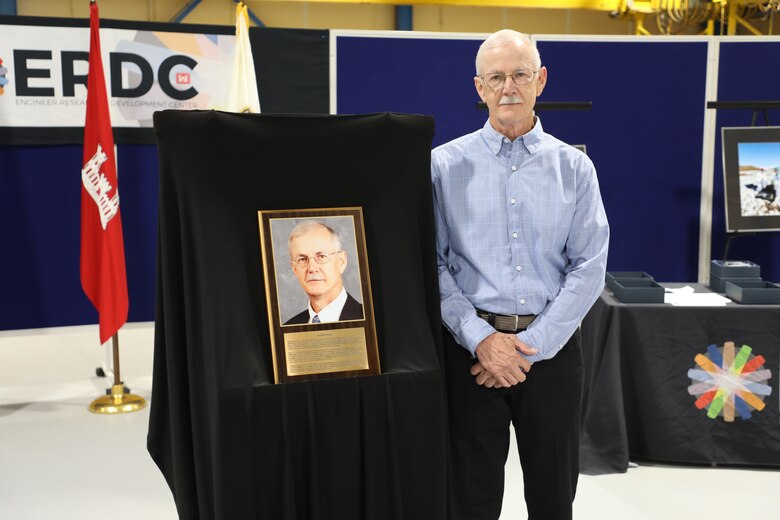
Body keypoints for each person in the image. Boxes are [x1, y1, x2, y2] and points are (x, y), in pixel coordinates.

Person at [430, 30, 609, 520]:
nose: (508, 87)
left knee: (553, 500)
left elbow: (590, 266)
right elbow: (432, 262)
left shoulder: (575, 168)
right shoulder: (442, 166)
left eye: (520, 75)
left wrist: (530, 347)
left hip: (552, 358)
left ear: (541, 80)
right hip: (470, 357)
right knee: (470, 501)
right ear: (479, 87)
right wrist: (481, 340)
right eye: (496, 77)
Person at [284, 220, 363, 325]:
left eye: (321, 256)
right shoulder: (288, 328)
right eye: (302, 259)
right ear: (294, 268)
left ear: (341, 261)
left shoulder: (369, 318)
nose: (312, 268)